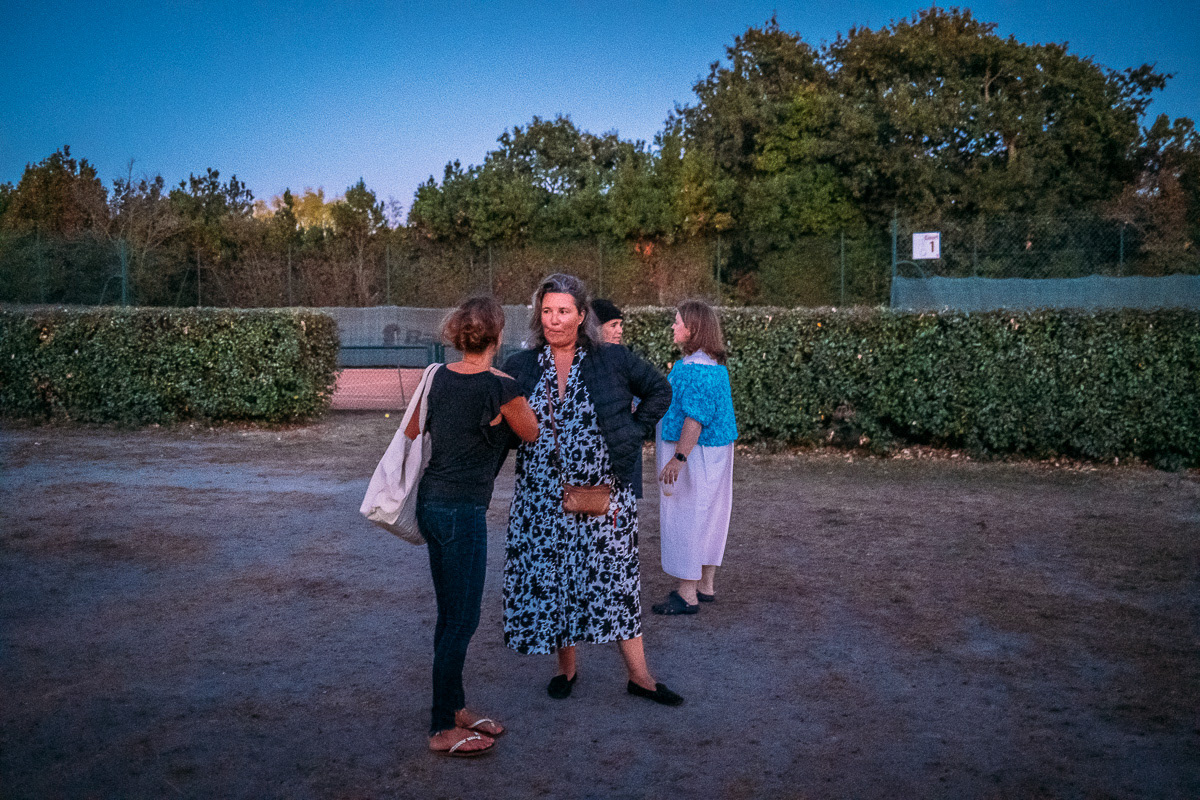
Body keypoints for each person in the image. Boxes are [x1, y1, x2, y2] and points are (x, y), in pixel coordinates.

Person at [501, 273, 683, 706]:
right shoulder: (521, 365)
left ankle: (640, 676)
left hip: (605, 495)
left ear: (582, 315)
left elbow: (660, 390)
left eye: (563, 311)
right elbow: (502, 418)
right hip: (541, 498)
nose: (554, 319)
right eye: (547, 310)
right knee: (555, 580)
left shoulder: (611, 359)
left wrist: (632, 431)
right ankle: (566, 669)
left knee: (616, 582)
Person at [406, 296, 538, 756]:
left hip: (432, 504)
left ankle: (455, 707)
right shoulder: (503, 388)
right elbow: (533, 432)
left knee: (450, 616)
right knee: (461, 620)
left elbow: (414, 431)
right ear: (497, 338)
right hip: (462, 513)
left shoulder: (435, 377)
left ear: (457, 334)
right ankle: (442, 727)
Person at [652, 300, 738, 616]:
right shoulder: (710, 366)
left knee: (687, 516)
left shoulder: (696, 369)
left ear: (693, 329)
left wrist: (678, 458)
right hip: (714, 452)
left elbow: (694, 419)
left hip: (695, 453)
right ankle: (705, 585)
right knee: (710, 515)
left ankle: (687, 593)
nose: (673, 326)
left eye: (677, 322)